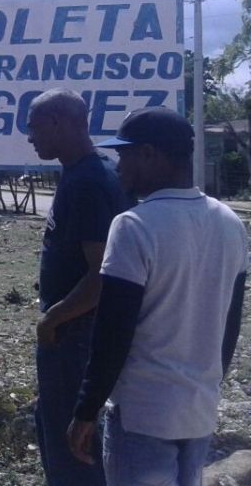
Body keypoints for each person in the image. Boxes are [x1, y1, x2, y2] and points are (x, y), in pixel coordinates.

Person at [67, 107, 248, 485]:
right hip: (198, 409)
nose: (119, 167)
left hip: (143, 413)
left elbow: (113, 332)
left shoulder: (133, 226)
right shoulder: (231, 223)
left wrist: (86, 410)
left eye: (124, 155)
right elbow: (229, 325)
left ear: (149, 154)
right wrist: (207, 385)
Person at [26, 88, 129, 486]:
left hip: (76, 335)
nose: (30, 137)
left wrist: (52, 320)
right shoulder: (84, 172)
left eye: (34, 127)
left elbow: (102, 274)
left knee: (73, 444)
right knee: (59, 426)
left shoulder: (89, 181)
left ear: (57, 123)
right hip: (75, 333)